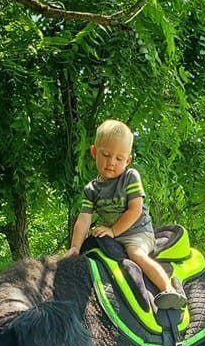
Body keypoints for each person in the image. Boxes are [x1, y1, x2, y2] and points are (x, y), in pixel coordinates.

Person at [67, 119, 186, 311]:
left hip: (138, 232)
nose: (111, 162)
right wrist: (74, 247)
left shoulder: (130, 177)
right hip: (115, 237)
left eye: (119, 158)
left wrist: (113, 231)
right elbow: (84, 218)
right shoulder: (91, 189)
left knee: (136, 254)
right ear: (94, 152)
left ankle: (168, 290)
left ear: (128, 160)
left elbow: (135, 209)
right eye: (106, 155)